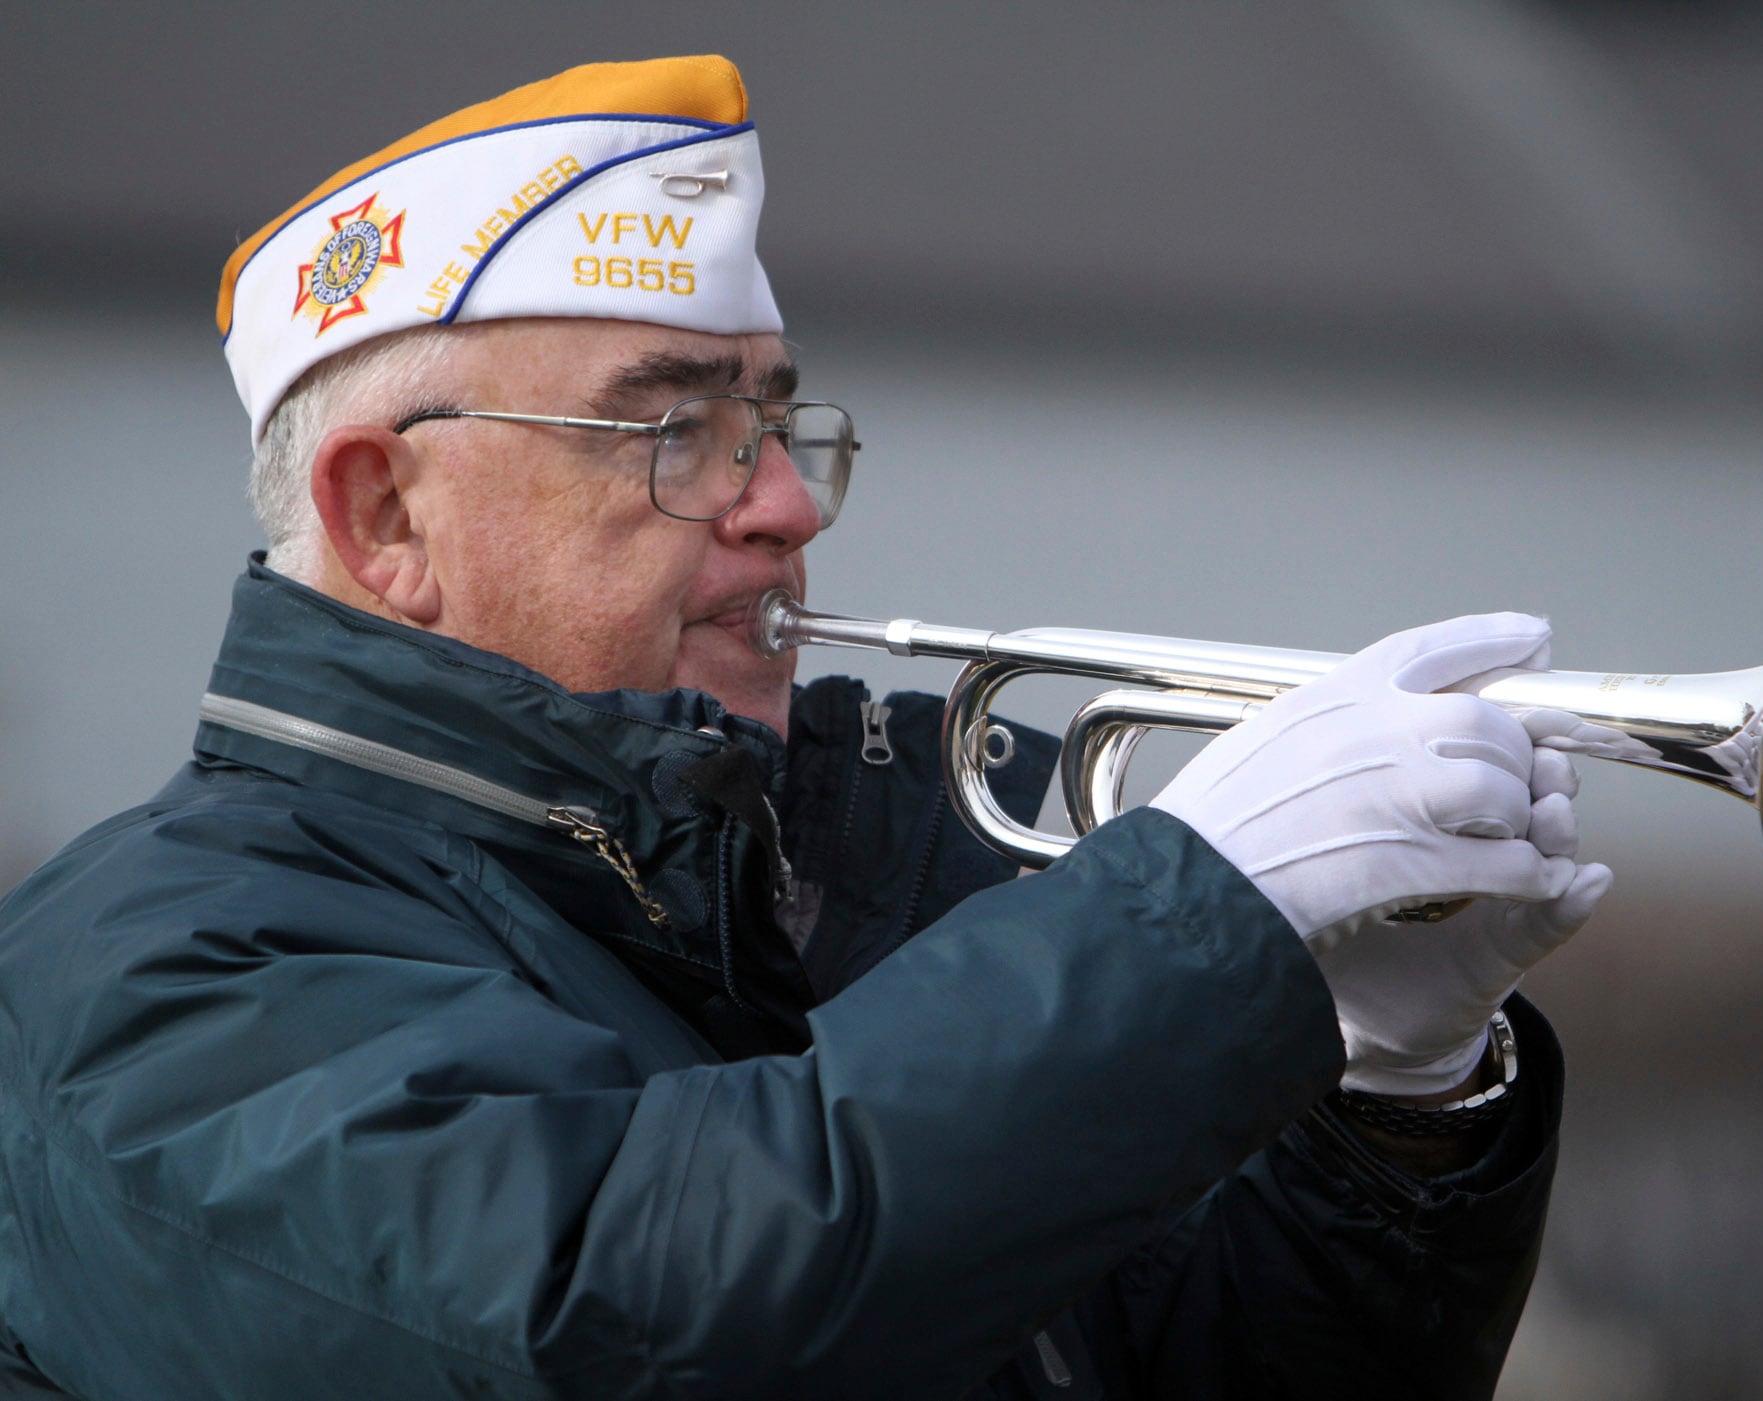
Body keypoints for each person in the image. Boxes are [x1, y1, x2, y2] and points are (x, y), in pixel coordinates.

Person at [0, 56, 1611, 1399]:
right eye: (672, 430)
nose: (779, 503)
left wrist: (1397, 1100)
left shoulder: (844, 868)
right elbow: (624, 1314)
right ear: (385, 512)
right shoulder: (154, 969)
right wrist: (1195, 925)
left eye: (775, 424)